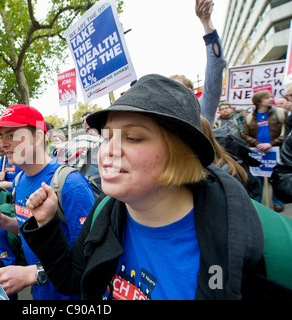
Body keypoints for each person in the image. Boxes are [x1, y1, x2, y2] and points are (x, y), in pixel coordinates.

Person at [20, 74, 292, 300]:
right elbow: (72, 281)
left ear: (180, 153)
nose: (108, 152)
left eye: (134, 138)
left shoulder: (257, 244)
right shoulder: (104, 212)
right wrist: (47, 225)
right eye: (106, 137)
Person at [0, 104, 95, 300]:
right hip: (41, 293)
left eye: (12, 135)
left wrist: (34, 273)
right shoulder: (19, 180)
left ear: (38, 137)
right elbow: (28, 228)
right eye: (0, 137)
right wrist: (2, 221)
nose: (2, 143)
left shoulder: (70, 184)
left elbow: (89, 258)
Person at [170, 0, 226, 126]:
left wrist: (206, 22)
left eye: (178, 87)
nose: (174, 93)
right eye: (170, 89)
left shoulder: (203, 107)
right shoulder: (164, 116)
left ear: (190, 90)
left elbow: (216, 65)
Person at [242, 90, 287, 212]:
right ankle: (258, 204)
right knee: (257, 178)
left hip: (276, 151)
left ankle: (278, 202)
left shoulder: (280, 113)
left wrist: (270, 144)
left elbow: (286, 132)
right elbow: (245, 134)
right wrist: (258, 144)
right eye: (267, 97)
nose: (270, 99)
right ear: (259, 101)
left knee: (276, 176)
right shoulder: (249, 118)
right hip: (258, 152)